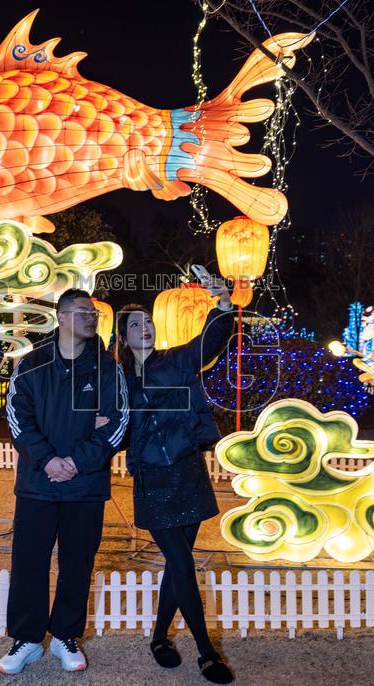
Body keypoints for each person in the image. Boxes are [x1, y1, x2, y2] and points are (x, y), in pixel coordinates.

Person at [0, 289, 129, 675]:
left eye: (94, 313)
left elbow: (117, 424)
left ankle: (65, 636)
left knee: (77, 564)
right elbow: (18, 418)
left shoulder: (108, 369)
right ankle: (26, 639)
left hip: (84, 487)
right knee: (28, 563)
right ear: (62, 317)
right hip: (38, 483)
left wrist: (75, 462)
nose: (93, 318)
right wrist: (48, 459)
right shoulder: (31, 364)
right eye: (84, 312)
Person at [114, 283, 235, 684]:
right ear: (123, 336)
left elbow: (211, 338)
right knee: (182, 562)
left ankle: (159, 639)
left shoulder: (177, 360)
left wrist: (222, 303)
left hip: (187, 471)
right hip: (151, 476)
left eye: (147, 321)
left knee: (176, 563)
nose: (144, 327)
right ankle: (206, 652)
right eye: (135, 324)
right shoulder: (117, 378)